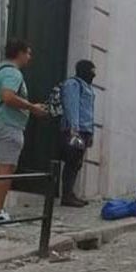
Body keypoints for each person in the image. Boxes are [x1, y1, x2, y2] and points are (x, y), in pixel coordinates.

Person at [0, 39, 47, 223]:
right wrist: (32, 107)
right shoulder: (13, 73)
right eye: (28, 53)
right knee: (6, 169)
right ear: (20, 53)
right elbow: (8, 96)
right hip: (8, 125)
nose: (29, 57)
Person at [58, 59, 96, 207]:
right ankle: (66, 195)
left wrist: (91, 133)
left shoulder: (87, 87)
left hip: (85, 130)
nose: (94, 75)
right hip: (75, 130)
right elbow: (71, 106)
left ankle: (70, 192)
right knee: (71, 162)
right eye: (92, 71)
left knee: (77, 163)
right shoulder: (73, 84)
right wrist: (74, 129)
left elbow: (89, 111)